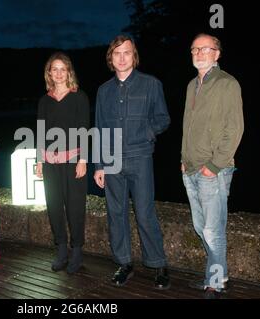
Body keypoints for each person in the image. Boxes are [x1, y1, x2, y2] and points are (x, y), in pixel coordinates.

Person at [93, 35, 171, 289]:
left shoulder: (151, 84)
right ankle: (124, 263)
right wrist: (99, 165)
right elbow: (100, 129)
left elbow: (162, 118)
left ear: (134, 56)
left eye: (127, 52)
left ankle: (158, 264)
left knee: (145, 212)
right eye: (117, 53)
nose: (122, 57)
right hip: (112, 160)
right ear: (111, 58)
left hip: (140, 158)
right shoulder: (104, 91)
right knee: (116, 214)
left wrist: (146, 134)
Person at [181, 33, 244, 299]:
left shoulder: (227, 83)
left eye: (204, 49)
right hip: (191, 168)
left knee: (212, 230)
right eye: (194, 49)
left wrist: (214, 165)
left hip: (213, 170)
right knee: (200, 227)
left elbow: (235, 128)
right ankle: (219, 273)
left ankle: (215, 282)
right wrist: (183, 159)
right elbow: (188, 126)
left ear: (217, 54)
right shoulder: (191, 85)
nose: (198, 53)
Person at [36, 52, 90, 274]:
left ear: (69, 72)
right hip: (50, 163)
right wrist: (39, 161)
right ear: (49, 73)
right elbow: (40, 131)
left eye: (62, 69)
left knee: (75, 207)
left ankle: (77, 250)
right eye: (54, 69)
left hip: (73, 161)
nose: (58, 73)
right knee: (55, 206)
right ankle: (61, 249)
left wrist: (83, 159)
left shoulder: (79, 97)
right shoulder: (44, 100)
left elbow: (85, 130)